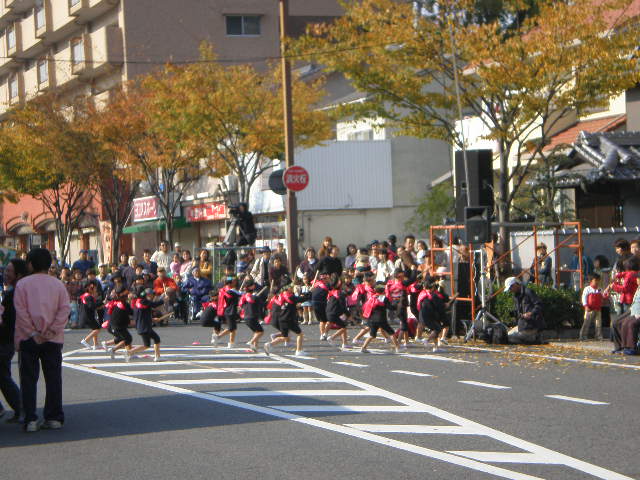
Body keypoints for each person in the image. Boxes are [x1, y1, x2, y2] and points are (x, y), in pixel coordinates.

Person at [15, 248, 71, 432]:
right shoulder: (58, 284)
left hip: (28, 338)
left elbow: (21, 312)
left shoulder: (22, 284)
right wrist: (52, 330)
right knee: (53, 378)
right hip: (53, 338)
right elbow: (64, 310)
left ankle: (30, 419)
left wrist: (33, 333)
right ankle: (54, 417)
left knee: (28, 379)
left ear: (30, 264)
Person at [0, 258, 27, 423]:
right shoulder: (15, 292)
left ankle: (20, 408)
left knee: (3, 376)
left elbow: (7, 320)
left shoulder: (14, 294)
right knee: (4, 375)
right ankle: (19, 409)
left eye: (9, 271)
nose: (6, 273)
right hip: (8, 340)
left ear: (19, 274)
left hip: (6, 339)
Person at [264, 283, 310, 357]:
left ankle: (269, 344)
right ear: (287, 289)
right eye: (291, 288)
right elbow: (302, 299)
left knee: (285, 337)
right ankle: (299, 351)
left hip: (282, 319)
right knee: (300, 334)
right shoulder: (290, 297)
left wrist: (305, 294)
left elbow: (297, 299)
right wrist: (309, 293)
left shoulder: (281, 296)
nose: (292, 289)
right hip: (289, 319)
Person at [126, 288, 165, 362]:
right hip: (145, 327)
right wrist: (163, 300)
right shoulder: (144, 301)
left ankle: (157, 356)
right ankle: (130, 352)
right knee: (148, 344)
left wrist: (152, 319)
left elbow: (143, 315)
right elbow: (154, 305)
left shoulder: (138, 302)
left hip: (141, 326)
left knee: (154, 340)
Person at [360, 284, 400, 354]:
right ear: (383, 291)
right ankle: (397, 348)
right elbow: (390, 307)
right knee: (391, 333)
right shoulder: (384, 298)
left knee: (372, 335)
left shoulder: (372, 297)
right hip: (381, 319)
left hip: (372, 319)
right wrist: (396, 304)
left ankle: (363, 347)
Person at [504, 277, 544, 344]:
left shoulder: (528, 292)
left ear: (515, 284)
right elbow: (519, 311)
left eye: (510, 288)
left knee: (510, 338)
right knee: (507, 336)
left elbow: (539, 304)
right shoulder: (516, 296)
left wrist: (531, 313)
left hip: (531, 326)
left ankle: (534, 337)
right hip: (522, 326)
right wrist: (513, 313)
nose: (510, 290)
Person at [239, 279, 268, 352]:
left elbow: (240, 305)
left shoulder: (244, 297)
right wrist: (268, 300)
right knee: (260, 332)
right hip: (252, 317)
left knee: (256, 332)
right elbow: (263, 305)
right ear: (251, 287)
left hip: (246, 317)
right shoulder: (255, 297)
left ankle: (255, 348)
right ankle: (251, 342)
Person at [213, 277, 241, 348]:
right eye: (233, 282)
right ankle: (229, 342)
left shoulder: (222, 290)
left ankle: (225, 340)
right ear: (230, 283)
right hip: (230, 310)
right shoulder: (231, 291)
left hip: (224, 310)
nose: (235, 283)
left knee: (232, 327)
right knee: (232, 328)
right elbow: (240, 294)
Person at [325, 276, 350, 350]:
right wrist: (348, 314)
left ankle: (345, 343)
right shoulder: (338, 293)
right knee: (344, 327)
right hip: (336, 312)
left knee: (343, 325)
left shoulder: (333, 292)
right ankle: (332, 337)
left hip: (334, 311)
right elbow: (343, 306)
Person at [580, 274, 605, 341]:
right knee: (587, 322)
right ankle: (583, 336)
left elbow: (603, 295)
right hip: (589, 308)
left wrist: (606, 295)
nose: (597, 282)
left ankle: (598, 336)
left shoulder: (600, 289)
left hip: (598, 309)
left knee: (598, 323)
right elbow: (584, 297)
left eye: (598, 280)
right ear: (591, 281)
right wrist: (585, 306)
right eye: (595, 280)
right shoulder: (587, 289)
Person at [79, 280, 103, 350]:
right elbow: (92, 306)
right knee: (97, 329)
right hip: (88, 316)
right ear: (90, 288)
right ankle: (85, 340)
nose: (95, 289)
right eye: (94, 288)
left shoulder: (84, 295)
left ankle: (96, 344)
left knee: (95, 328)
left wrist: (100, 304)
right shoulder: (89, 297)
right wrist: (102, 303)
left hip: (85, 315)